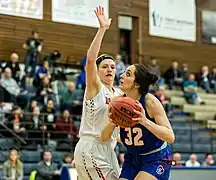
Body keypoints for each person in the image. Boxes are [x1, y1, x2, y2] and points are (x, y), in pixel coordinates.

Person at [101, 64, 175, 180]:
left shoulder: (150, 102)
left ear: (137, 83)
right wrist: (112, 122)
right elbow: (104, 137)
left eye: (128, 74)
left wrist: (144, 121)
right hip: (132, 157)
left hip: (156, 156)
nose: (121, 76)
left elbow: (170, 137)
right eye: (124, 72)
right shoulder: (116, 103)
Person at [74, 6, 122, 180]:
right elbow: (91, 60)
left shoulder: (119, 93)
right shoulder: (95, 87)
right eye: (104, 67)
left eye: (112, 67)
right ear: (98, 70)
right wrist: (102, 30)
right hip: (91, 146)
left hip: (109, 149)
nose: (109, 69)